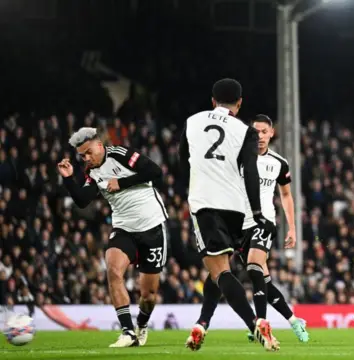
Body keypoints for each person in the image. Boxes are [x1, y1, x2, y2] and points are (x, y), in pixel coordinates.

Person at [180, 79, 278, 352]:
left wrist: (187, 189)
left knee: (219, 270)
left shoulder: (192, 121)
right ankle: (201, 324)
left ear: (212, 100)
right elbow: (251, 171)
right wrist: (256, 211)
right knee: (220, 268)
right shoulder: (245, 130)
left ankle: (255, 323)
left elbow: (181, 162)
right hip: (235, 209)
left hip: (205, 204)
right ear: (240, 103)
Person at [194, 114, 310, 344]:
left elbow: (286, 195)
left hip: (263, 222)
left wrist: (292, 228)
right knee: (231, 276)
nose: (260, 137)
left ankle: (260, 323)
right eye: (255, 132)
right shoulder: (237, 158)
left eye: (264, 132)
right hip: (237, 223)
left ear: (271, 133)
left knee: (255, 267)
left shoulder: (279, 163)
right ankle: (295, 321)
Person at [58, 127, 168, 347]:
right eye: (82, 156)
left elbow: (156, 172)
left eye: (89, 152)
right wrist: (69, 179)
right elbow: (82, 200)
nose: (86, 158)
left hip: (152, 226)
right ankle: (127, 332)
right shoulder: (92, 172)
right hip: (123, 227)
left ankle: (141, 325)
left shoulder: (120, 154)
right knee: (113, 270)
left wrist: (121, 182)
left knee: (148, 295)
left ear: (100, 145)